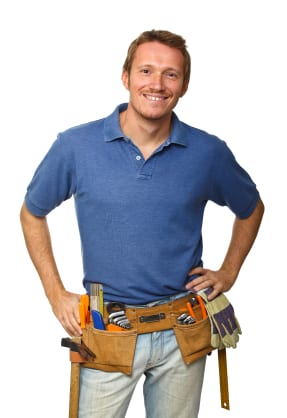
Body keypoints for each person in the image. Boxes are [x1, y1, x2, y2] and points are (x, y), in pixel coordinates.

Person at [20, 29, 264, 418]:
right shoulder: (75, 147)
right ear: (125, 77)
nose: (157, 84)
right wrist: (54, 292)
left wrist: (229, 271)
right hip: (106, 330)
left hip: (182, 327)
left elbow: (251, 207)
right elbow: (32, 212)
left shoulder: (207, 152)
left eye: (170, 74)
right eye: (146, 71)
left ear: (184, 85)